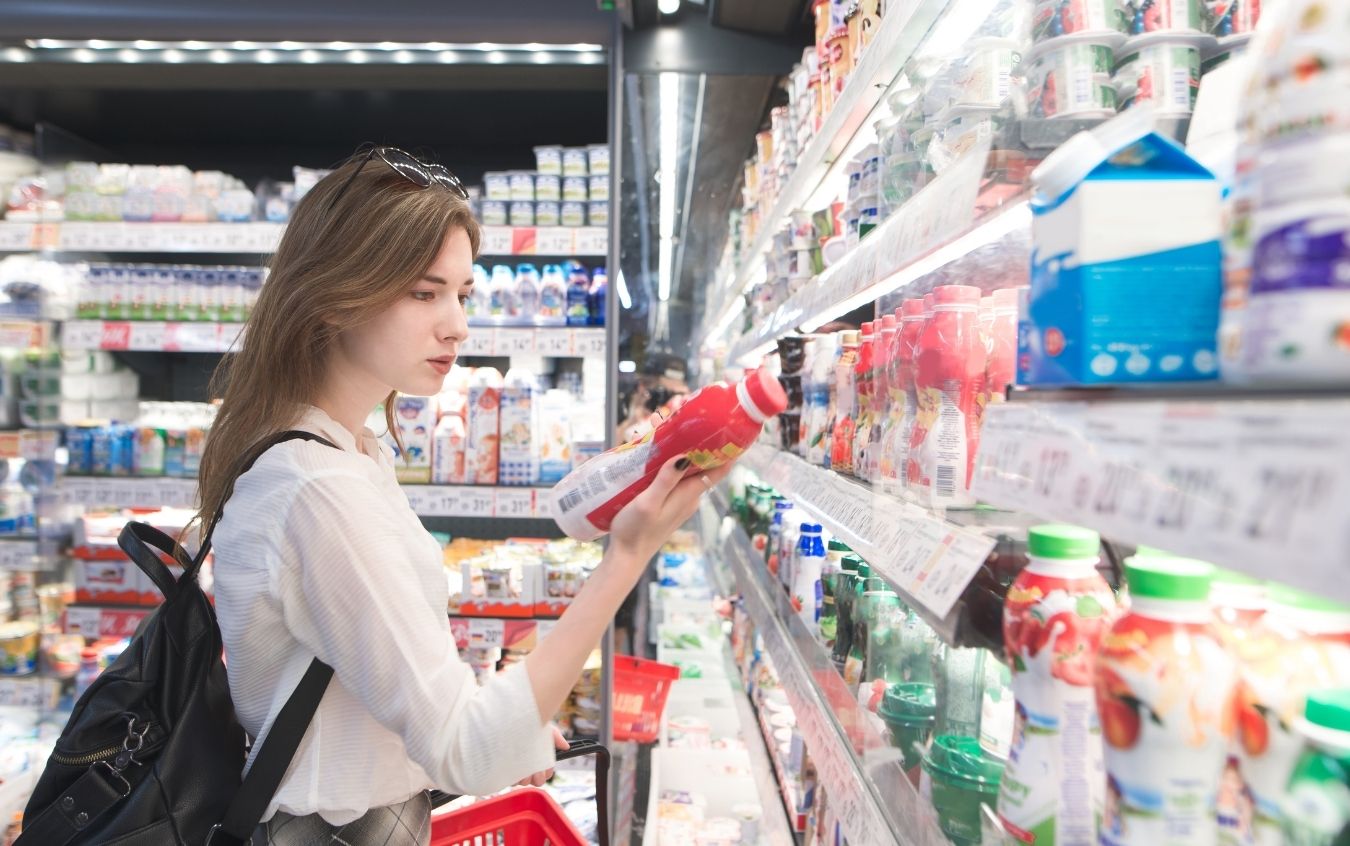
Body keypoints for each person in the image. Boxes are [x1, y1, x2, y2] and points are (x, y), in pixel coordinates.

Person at [197, 145, 732, 845]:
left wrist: (497, 721)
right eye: (425, 292)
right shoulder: (316, 487)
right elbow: (466, 747)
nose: (456, 324)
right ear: (334, 293)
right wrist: (626, 556)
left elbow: (380, 700)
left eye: (462, 293)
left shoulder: (343, 449)